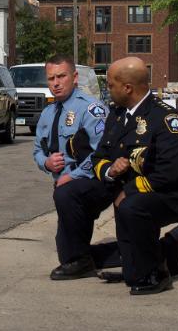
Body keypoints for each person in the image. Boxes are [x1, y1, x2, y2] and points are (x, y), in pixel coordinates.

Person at [93, 57, 178, 295]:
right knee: (132, 275)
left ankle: (157, 274)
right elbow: (98, 156)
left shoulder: (165, 118)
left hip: (166, 195)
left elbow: (168, 174)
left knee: (131, 207)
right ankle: (175, 243)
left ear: (127, 88)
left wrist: (128, 191)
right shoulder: (117, 115)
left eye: (110, 85)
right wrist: (111, 170)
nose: (108, 89)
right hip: (129, 195)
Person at [32, 55, 113, 280]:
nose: (56, 83)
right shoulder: (48, 113)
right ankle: (160, 248)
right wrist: (46, 163)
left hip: (94, 182)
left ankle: (81, 261)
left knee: (66, 196)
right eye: (51, 78)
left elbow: (101, 154)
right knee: (65, 254)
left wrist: (73, 176)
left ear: (74, 77)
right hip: (65, 187)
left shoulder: (91, 109)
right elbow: (37, 150)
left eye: (61, 76)